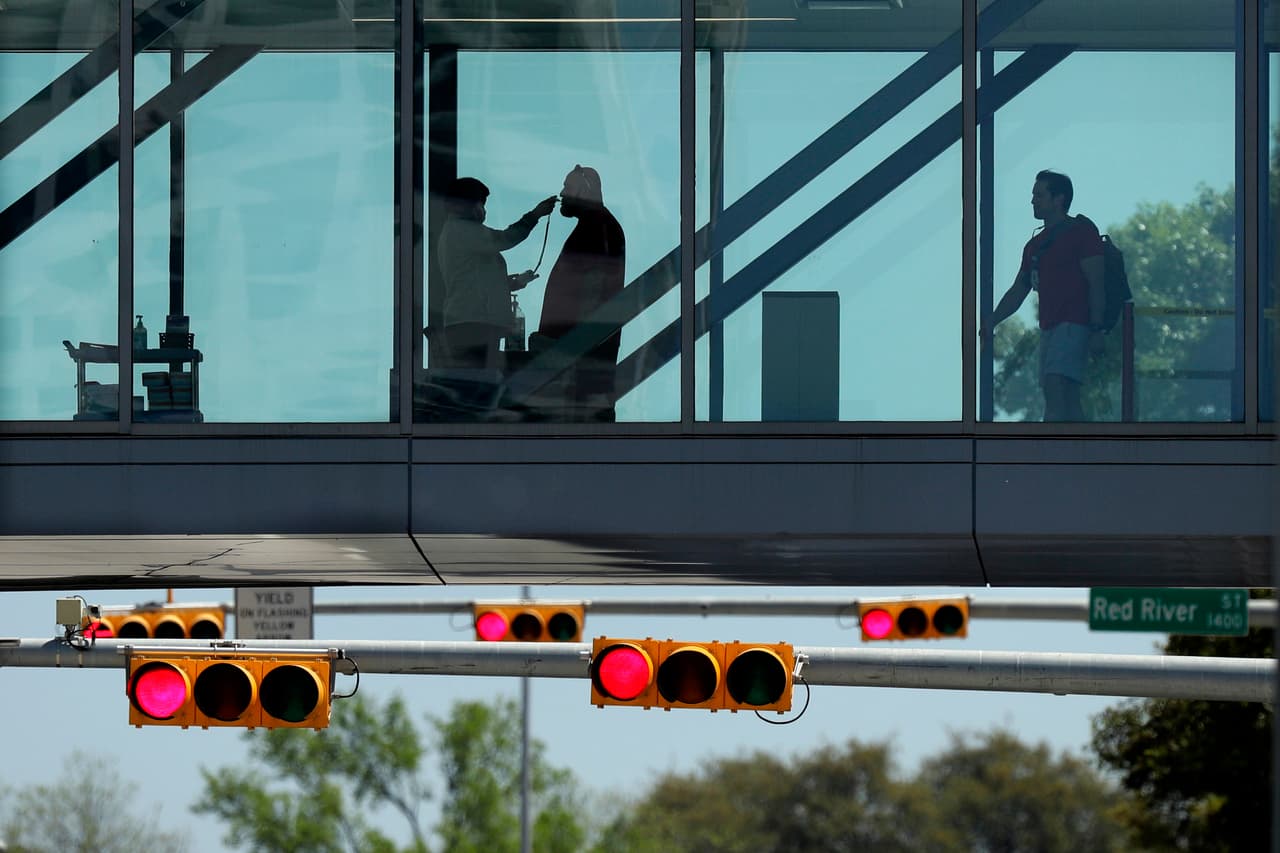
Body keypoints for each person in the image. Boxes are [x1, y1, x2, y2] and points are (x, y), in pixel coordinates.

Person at [989, 169, 1106, 422]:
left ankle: (1053, 449)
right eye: (1033, 195)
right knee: (1066, 393)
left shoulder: (1081, 233)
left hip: (1074, 324)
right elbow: (1019, 290)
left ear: (1059, 199)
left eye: (1039, 195)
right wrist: (992, 321)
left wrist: (1097, 329)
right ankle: (1076, 452)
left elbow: (1097, 282)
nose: (1033, 200)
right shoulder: (1035, 246)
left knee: (1056, 387)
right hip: (1050, 328)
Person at [534, 165, 626, 421]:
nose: (562, 192)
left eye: (567, 186)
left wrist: (574, 344)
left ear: (585, 190)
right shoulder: (596, 225)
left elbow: (594, 289)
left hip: (581, 360)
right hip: (579, 356)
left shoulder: (598, 227)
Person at [435, 177, 557, 370]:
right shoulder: (463, 231)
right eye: (481, 203)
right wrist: (535, 215)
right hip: (473, 324)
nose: (483, 210)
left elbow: (476, 281)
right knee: (484, 380)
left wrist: (515, 283)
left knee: (484, 379)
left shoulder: (457, 233)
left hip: (471, 323)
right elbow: (507, 238)